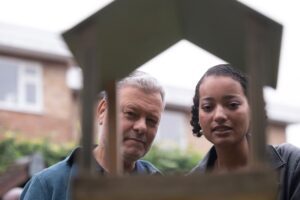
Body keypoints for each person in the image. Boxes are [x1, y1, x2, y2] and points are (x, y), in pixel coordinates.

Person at [20, 71, 165, 200]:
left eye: (151, 121)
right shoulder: (49, 186)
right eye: (131, 113)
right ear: (102, 111)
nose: (142, 127)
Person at [189, 64, 300, 200]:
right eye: (207, 107)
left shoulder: (292, 163)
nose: (219, 115)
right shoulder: (189, 186)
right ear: (197, 114)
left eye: (232, 105)